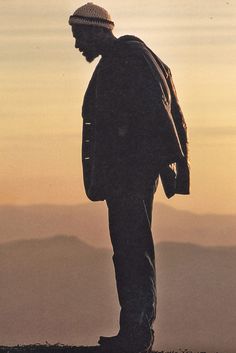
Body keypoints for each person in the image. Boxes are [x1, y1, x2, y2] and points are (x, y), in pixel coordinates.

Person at [68, 3, 190, 353]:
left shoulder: (128, 57)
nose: (78, 45)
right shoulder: (123, 59)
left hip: (130, 175)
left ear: (97, 30)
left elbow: (155, 110)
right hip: (127, 174)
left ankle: (136, 334)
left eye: (79, 35)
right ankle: (132, 331)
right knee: (129, 250)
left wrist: (141, 160)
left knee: (132, 249)